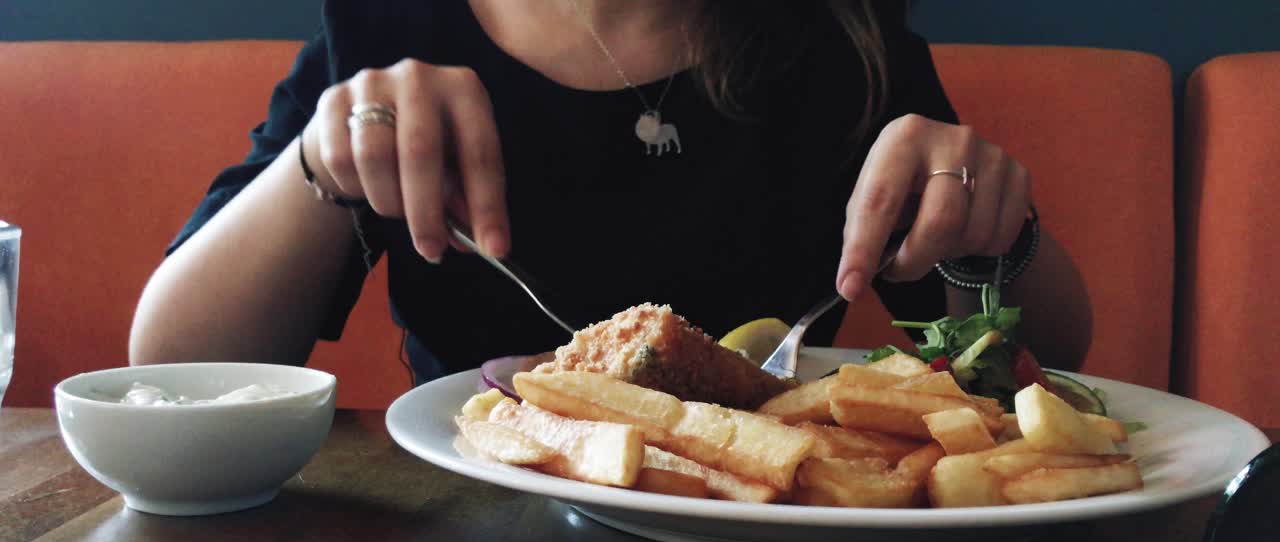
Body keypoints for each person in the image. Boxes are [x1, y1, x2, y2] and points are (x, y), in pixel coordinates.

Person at [128, 0, 1091, 385]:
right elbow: (170, 364)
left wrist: (991, 232)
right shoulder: (391, 27)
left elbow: (1049, 352)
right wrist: (319, 165)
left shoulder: (844, 45)